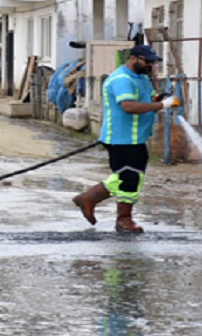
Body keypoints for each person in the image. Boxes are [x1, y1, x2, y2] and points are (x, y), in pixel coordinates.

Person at [71, 44, 180, 233]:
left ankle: (94, 201)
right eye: (147, 62)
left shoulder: (141, 78)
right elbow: (129, 106)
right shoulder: (122, 79)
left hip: (136, 137)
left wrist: (162, 98)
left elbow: (150, 98)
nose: (150, 66)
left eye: (152, 63)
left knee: (131, 176)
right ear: (133, 58)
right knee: (128, 177)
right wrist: (161, 106)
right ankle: (120, 218)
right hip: (121, 137)